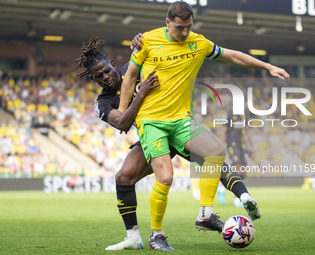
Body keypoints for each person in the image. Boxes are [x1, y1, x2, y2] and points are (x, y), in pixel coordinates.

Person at [118, 1, 289, 250]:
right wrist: (123, 113)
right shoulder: (147, 40)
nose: (184, 32)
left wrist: (268, 66)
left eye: (188, 27)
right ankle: (157, 235)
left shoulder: (199, 43)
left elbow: (232, 56)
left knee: (216, 152)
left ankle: (205, 214)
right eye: (179, 28)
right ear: (168, 23)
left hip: (181, 120)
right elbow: (131, 76)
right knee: (165, 177)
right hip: (152, 121)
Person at [76, 36, 256, 251]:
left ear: (112, 64)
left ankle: (243, 197)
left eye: (106, 70)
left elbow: (157, 47)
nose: (105, 77)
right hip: (152, 136)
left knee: (212, 158)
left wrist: (141, 40)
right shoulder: (102, 102)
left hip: (174, 124)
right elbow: (123, 123)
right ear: (94, 80)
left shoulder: (133, 67)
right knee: (123, 177)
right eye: (99, 77)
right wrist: (141, 93)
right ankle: (133, 237)